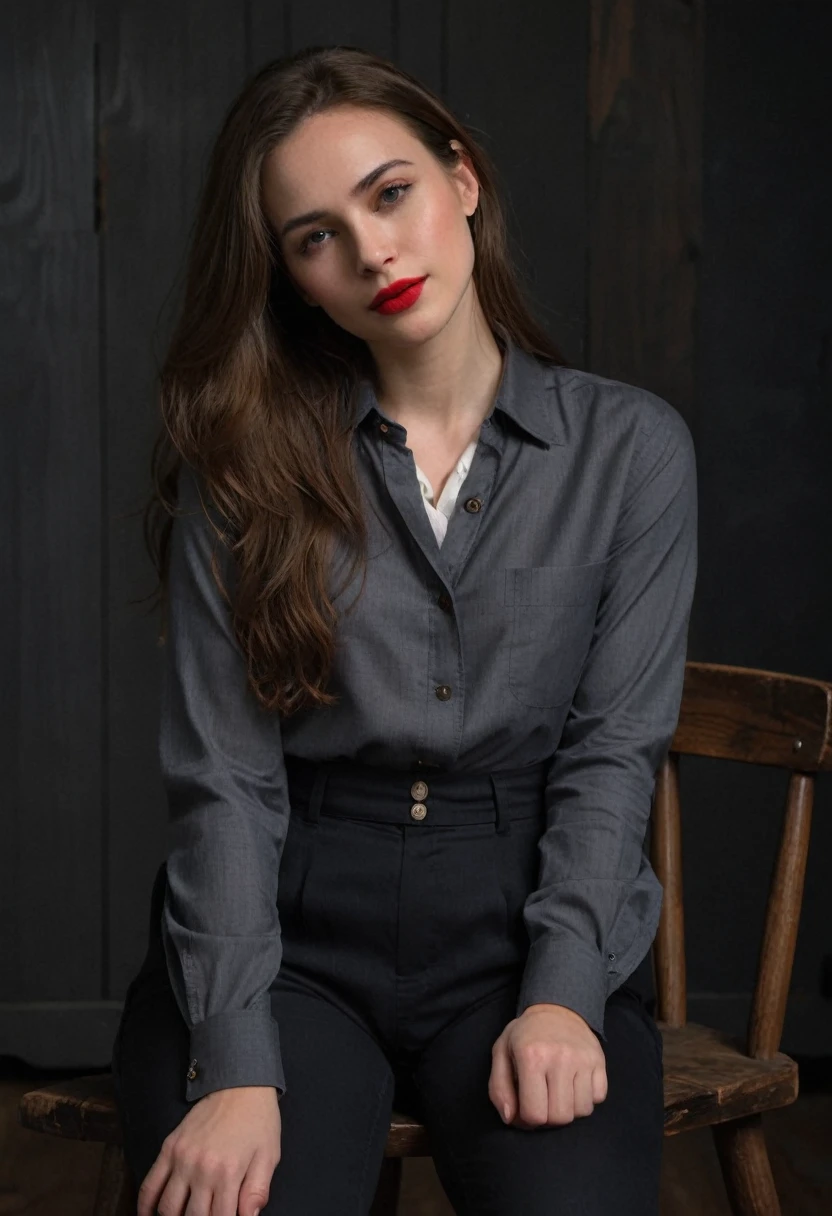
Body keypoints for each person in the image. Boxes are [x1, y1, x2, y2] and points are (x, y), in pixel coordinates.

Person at [111, 43, 697, 1216]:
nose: (373, 249)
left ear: (462, 180)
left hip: (520, 918)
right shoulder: (243, 466)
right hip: (288, 928)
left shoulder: (630, 451)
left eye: (391, 193)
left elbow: (612, 750)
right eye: (315, 234)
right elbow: (224, 776)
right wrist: (233, 1058)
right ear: (291, 278)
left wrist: (564, 990)